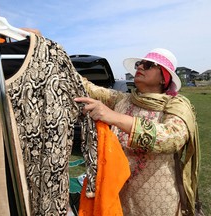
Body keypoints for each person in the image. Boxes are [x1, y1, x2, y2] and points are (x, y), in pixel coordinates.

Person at [74, 48, 200, 216]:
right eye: (139, 63)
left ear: (164, 77)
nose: (140, 67)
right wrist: (49, 49)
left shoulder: (175, 104)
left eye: (149, 65)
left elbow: (171, 137)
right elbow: (86, 87)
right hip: (119, 192)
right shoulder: (123, 99)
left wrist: (113, 117)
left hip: (155, 200)